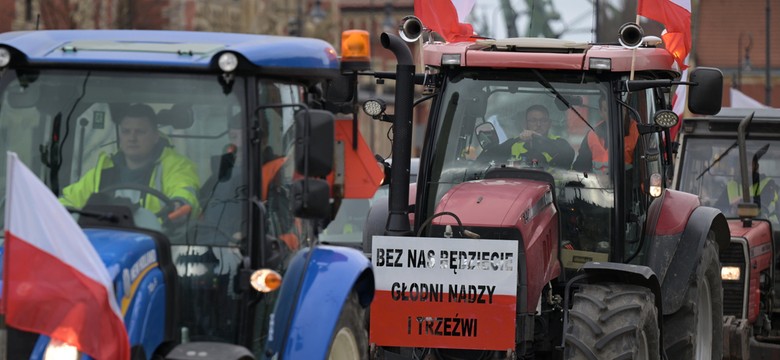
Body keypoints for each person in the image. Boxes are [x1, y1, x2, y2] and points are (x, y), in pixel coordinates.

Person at [61, 103, 200, 221]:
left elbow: (184, 190)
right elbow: (69, 201)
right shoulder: (102, 171)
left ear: (156, 136)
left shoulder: (175, 166)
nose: (132, 138)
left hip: (158, 244)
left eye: (140, 132)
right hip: (106, 245)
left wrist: (179, 204)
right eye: (126, 131)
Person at [478, 104, 574, 168]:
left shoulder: (559, 143)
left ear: (549, 123)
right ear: (525, 124)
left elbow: (568, 154)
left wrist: (538, 138)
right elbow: (486, 159)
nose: (539, 124)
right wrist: (517, 139)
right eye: (533, 120)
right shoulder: (514, 145)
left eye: (543, 120)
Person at [573, 97, 639, 175]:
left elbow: (642, 172)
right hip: (596, 186)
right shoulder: (592, 134)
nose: (613, 113)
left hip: (625, 185)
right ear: (601, 113)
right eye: (606, 110)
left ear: (625, 109)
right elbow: (580, 168)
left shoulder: (638, 132)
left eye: (617, 108)